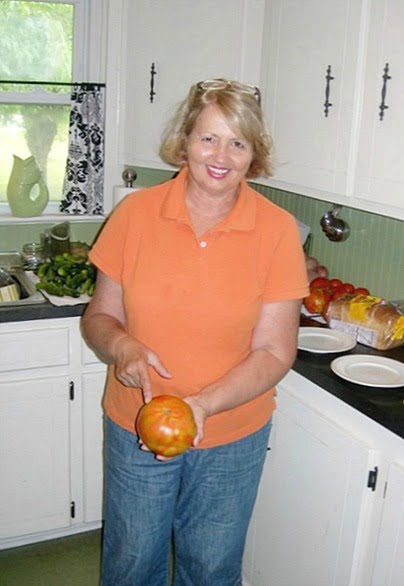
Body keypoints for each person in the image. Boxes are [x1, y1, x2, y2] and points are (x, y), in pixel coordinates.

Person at [81, 79, 309, 586]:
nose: (221, 155)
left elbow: (274, 352)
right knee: (132, 564)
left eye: (238, 142)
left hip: (233, 435)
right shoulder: (134, 215)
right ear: (185, 141)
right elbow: (98, 318)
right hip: (135, 423)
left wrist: (203, 405)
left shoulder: (276, 232)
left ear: (255, 154)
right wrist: (122, 346)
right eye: (209, 138)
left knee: (210, 568)